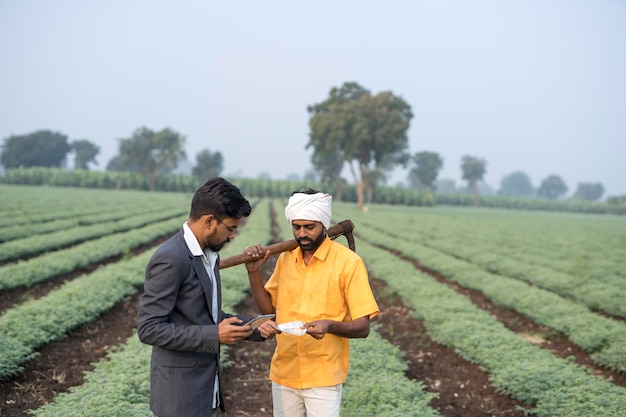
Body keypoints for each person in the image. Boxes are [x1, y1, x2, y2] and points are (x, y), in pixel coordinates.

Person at [137, 177, 267, 417]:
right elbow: (149, 328)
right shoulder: (171, 258)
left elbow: (209, 316)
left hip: (206, 393)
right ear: (209, 221)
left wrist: (256, 327)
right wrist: (214, 334)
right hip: (179, 400)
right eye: (230, 228)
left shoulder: (209, 256)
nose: (232, 236)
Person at [243, 188, 380, 417]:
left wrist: (330, 325)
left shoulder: (348, 263)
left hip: (324, 376)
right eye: (297, 227)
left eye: (309, 227)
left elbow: (363, 327)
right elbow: (269, 312)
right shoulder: (286, 259)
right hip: (285, 371)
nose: (302, 234)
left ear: (324, 225)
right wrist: (253, 273)